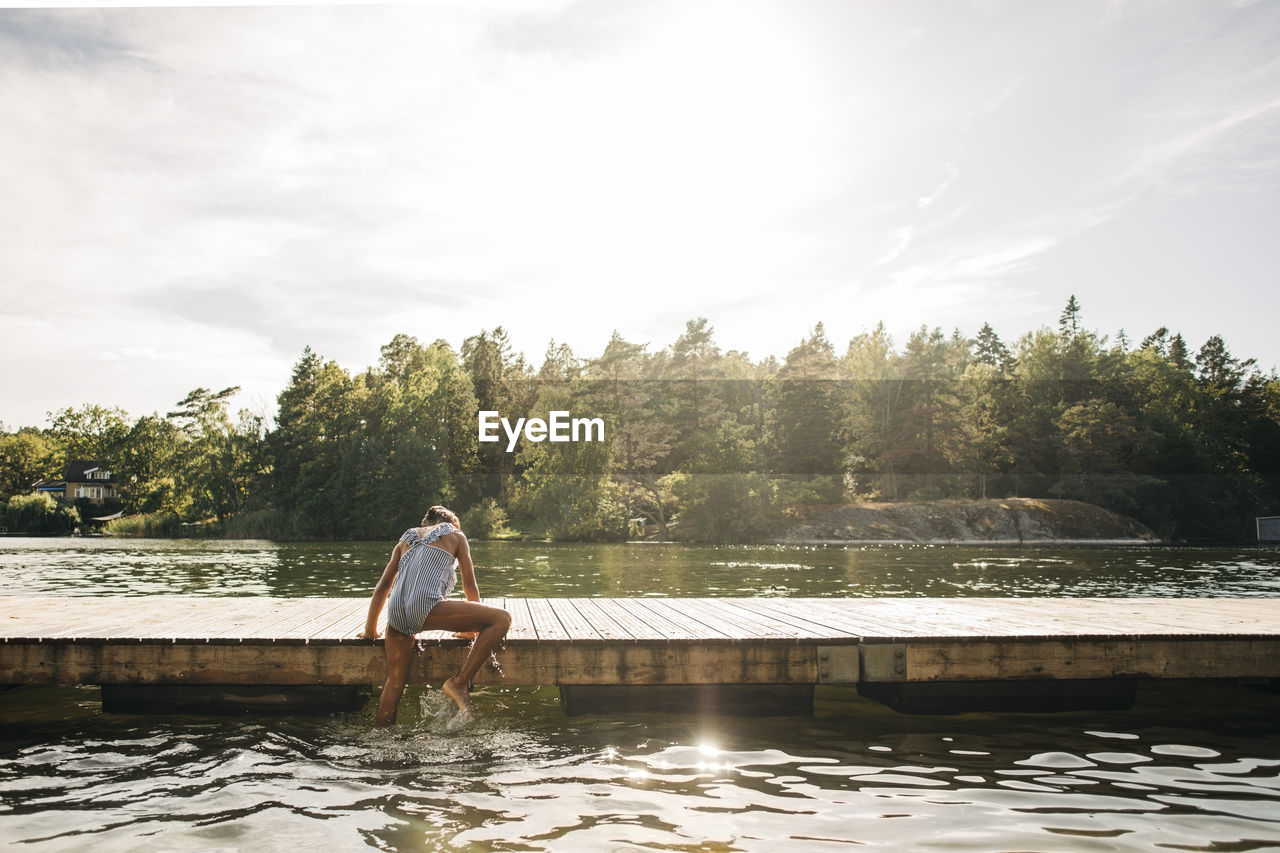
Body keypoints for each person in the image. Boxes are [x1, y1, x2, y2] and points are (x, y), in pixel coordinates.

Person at [358, 505, 511, 726]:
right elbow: (470, 585)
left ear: (426, 524)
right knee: (501, 619)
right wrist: (470, 630)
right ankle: (459, 683)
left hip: (396, 615)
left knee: (393, 683)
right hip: (426, 608)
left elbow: (383, 586)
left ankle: (382, 736)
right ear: (452, 523)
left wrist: (370, 630)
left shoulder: (405, 539)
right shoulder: (456, 534)